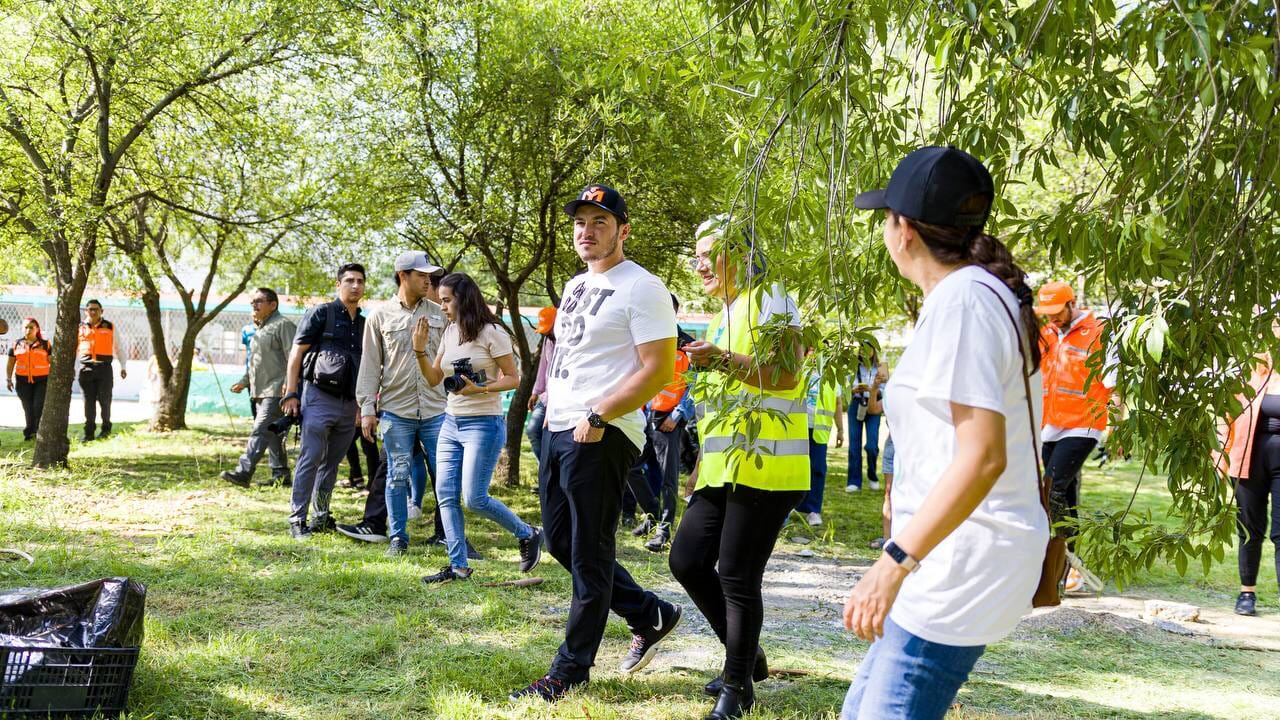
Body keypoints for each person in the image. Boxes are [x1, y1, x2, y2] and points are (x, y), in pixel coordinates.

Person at [840, 146, 1048, 720]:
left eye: (886, 218)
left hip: (960, 561)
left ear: (903, 230)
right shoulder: (968, 297)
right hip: (948, 553)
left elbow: (982, 458)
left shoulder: (964, 302)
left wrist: (894, 562)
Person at [509, 184, 682, 703]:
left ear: (623, 230)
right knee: (561, 541)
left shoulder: (643, 287)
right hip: (560, 425)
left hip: (603, 430)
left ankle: (568, 671)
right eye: (581, 222)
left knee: (589, 551)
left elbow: (657, 369)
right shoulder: (576, 284)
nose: (587, 231)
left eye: (600, 222)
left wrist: (600, 412)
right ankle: (651, 613)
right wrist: (549, 411)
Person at [670, 215, 809, 720]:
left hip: (767, 466)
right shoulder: (725, 312)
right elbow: (721, 400)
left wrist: (722, 359)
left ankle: (738, 688)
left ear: (745, 255)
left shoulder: (771, 297)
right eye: (697, 254)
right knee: (686, 561)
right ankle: (748, 658)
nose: (700, 263)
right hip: (723, 467)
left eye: (711, 252)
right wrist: (701, 464)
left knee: (736, 575)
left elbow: (788, 376)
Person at [410, 272, 541, 583]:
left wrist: (479, 389)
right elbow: (433, 379)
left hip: (484, 423)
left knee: (474, 498)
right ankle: (458, 566)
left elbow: (513, 378)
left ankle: (528, 533)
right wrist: (418, 350)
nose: (441, 306)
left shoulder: (492, 333)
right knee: (445, 494)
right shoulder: (450, 332)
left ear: (463, 299)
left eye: (445, 300)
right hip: (450, 422)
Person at [355, 251, 448, 557]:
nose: (428, 281)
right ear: (403, 276)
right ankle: (398, 537)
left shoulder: (440, 314)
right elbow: (370, 366)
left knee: (445, 475)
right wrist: (367, 408)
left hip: (436, 410)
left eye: (429, 276)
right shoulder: (379, 317)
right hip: (397, 410)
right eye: (422, 275)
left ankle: (449, 536)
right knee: (397, 475)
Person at [1034, 280, 1118, 592]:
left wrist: (1118, 427)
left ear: (1072, 304)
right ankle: (1069, 570)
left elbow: (1113, 382)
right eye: (1048, 314)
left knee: (1052, 490)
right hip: (1050, 426)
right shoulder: (1045, 335)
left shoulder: (1099, 332)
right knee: (1065, 497)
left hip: (1084, 423)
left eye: (1057, 312)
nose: (1053, 318)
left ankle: (1062, 563)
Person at [281, 263, 366, 539]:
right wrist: (291, 393)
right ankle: (297, 520)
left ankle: (320, 515)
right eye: (350, 280)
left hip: (350, 402)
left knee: (332, 463)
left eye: (360, 281)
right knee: (310, 458)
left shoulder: (365, 323)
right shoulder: (322, 313)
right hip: (318, 397)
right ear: (338, 284)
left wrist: (364, 406)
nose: (355, 285)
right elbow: (296, 353)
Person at [1216, 355, 1280, 616]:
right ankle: (1247, 592)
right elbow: (1225, 416)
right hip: (1247, 459)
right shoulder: (1248, 375)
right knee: (1250, 530)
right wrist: (1219, 455)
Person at [222, 288, 296, 487]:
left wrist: (291, 387)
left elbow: (295, 358)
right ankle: (281, 475)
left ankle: (243, 472)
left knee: (260, 430)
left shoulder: (284, 325)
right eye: (252, 302)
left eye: (259, 301)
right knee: (272, 433)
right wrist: (244, 381)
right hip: (259, 391)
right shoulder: (260, 329)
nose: (254, 306)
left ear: (273, 305)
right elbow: (255, 362)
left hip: (277, 390)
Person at [797, 361, 845, 526]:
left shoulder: (833, 375)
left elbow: (838, 404)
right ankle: (788, 508)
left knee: (817, 469)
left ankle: (813, 510)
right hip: (797, 429)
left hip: (819, 431)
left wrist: (840, 430)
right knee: (794, 468)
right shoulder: (800, 369)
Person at [77, 299, 128, 441]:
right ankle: (89, 433)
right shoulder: (80, 327)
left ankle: (106, 429)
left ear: (101, 311)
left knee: (105, 400)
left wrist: (123, 366)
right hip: (86, 369)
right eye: (90, 309)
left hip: (104, 369)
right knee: (88, 402)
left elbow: (119, 347)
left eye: (96, 309)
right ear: (86, 311)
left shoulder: (109, 326)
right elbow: (73, 349)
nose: (93, 312)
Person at [845, 348, 885, 491]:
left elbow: (886, 389)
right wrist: (853, 390)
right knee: (854, 445)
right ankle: (854, 481)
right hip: (856, 404)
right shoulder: (853, 367)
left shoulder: (881, 368)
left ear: (873, 351)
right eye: (863, 349)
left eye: (868, 349)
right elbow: (844, 388)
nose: (865, 353)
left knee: (871, 445)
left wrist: (874, 389)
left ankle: (872, 475)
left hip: (874, 403)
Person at [6, 317, 51, 441]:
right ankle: (29, 433)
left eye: (31, 327)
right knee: (28, 408)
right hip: (22, 382)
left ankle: (38, 433)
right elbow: (10, 363)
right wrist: (8, 379)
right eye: (26, 327)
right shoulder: (16, 344)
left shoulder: (45, 344)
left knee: (38, 407)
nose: (28, 330)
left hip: (41, 381)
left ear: (37, 329)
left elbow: (52, 362)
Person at [526, 306, 557, 466]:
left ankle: (551, 474)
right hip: (546, 397)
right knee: (532, 430)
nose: (546, 333)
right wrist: (535, 392)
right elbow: (543, 366)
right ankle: (545, 469)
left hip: (561, 398)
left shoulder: (569, 341)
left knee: (551, 436)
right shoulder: (548, 339)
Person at [241, 321, 258, 415]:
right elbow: (245, 349)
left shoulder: (271, 328)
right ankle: (256, 423)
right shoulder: (246, 330)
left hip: (267, 371)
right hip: (250, 370)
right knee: (253, 399)